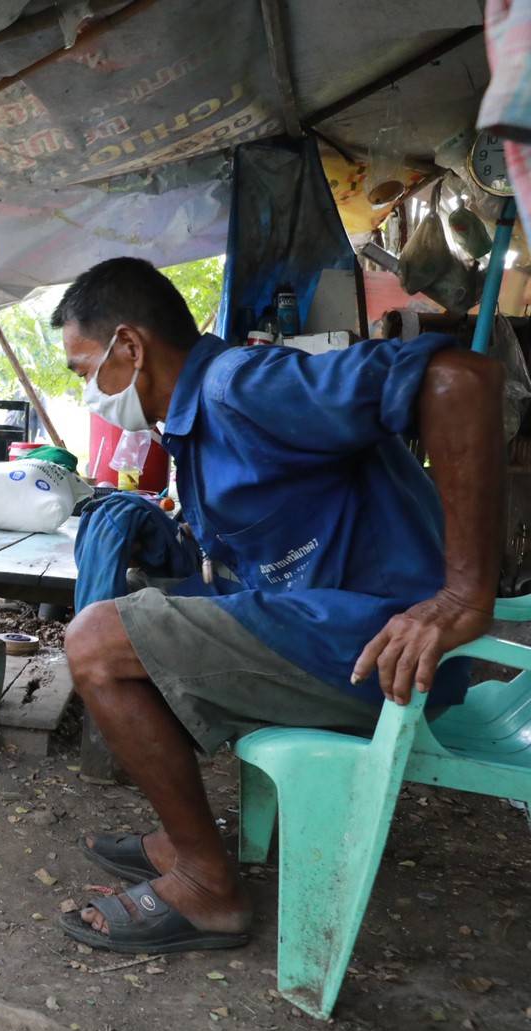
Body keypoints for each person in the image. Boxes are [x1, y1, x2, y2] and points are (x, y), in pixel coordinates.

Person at [52, 257, 501, 955]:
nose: (89, 393)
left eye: (85, 370)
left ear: (131, 348)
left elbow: (460, 381)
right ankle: (180, 840)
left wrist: (463, 595)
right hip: (323, 636)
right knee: (134, 611)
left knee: (96, 641)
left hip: (382, 652)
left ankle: (207, 886)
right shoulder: (198, 422)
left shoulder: (244, 386)